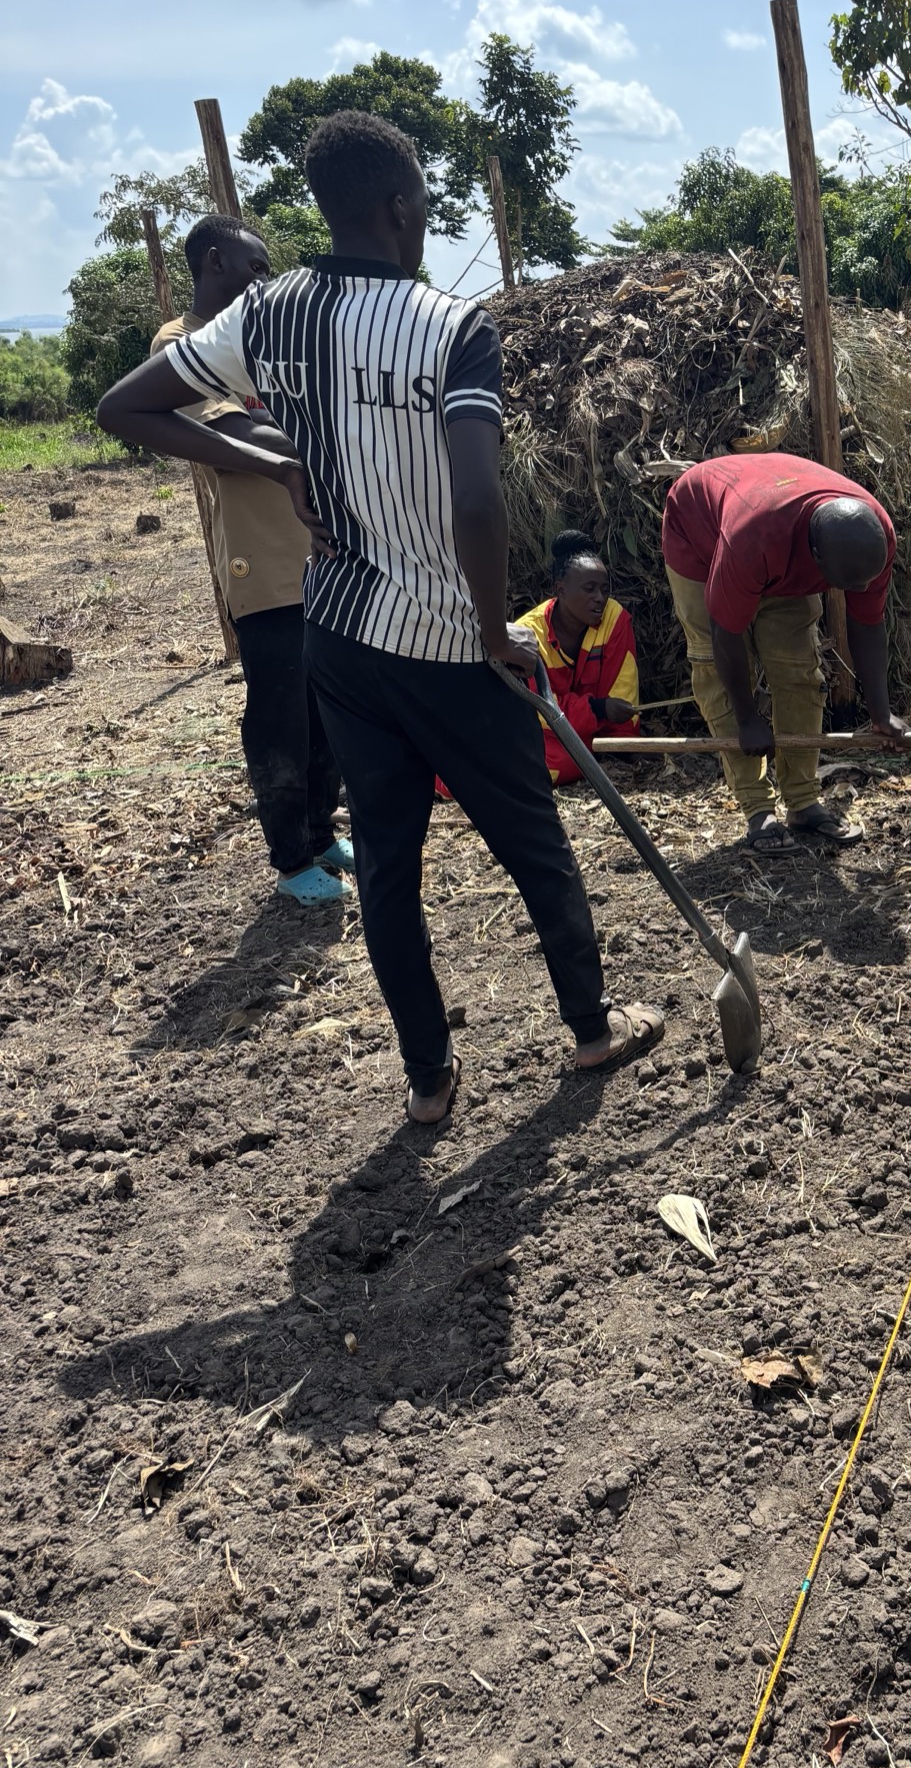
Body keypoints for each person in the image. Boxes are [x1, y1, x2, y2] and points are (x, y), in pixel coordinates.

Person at [99, 110, 664, 1124]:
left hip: (339, 635)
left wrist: (270, 459)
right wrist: (493, 632)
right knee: (533, 843)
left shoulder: (264, 315)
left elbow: (125, 407)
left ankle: (428, 1078)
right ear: (401, 208)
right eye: (425, 207)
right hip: (445, 636)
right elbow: (477, 500)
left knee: (391, 864)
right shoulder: (450, 327)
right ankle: (591, 1028)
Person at [153, 215, 349, 904]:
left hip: (318, 555)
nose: (263, 280)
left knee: (325, 708)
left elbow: (282, 418)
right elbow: (236, 433)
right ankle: (291, 859)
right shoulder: (181, 345)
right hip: (262, 566)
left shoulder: (259, 344)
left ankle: (321, 831)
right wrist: (318, 434)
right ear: (214, 262)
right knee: (280, 715)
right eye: (254, 266)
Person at [661, 452, 906, 852]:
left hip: (774, 530)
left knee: (800, 669)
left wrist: (881, 713)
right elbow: (725, 632)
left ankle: (803, 802)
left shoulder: (872, 537)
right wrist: (747, 719)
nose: (860, 590)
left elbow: (868, 622)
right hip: (701, 538)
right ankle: (759, 811)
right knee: (713, 668)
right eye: (848, 583)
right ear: (816, 556)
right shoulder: (751, 539)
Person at [518, 529, 640, 784]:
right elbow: (539, 712)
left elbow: (623, 696)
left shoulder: (613, 618)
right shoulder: (529, 634)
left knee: (573, 758)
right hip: (547, 733)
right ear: (560, 590)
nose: (600, 599)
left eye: (604, 590)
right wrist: (598, 709)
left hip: (595, 735)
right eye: (589, 589)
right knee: (556, 759)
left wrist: (621, 741)